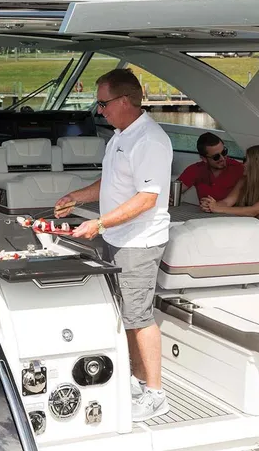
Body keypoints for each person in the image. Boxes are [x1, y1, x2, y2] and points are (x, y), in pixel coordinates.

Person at [55, 68, 172, 422]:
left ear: (125, 101)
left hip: (138, 242)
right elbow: (111, 182)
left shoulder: (149, 140)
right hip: (116, 239)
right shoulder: (121, 136)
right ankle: (137, 381)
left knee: (139, 316)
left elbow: (147, 198)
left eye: (103, 103)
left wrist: (100, 222)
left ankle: (156, 393)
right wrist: (77, 197)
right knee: (126, 314)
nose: (99, 110)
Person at [202, 145, 259, 221]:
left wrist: (218, 208)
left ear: (256, 164)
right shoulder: (244, 180)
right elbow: (227, 202)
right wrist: (211, 205)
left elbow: (253, 211)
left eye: (246, 160)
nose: (243, 164)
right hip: (244, 226)